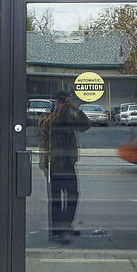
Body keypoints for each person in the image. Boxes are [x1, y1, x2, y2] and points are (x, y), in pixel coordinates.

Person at [39, 90, 91, 244]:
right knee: (56, 200)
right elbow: (48, 127)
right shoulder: (46, 117)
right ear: (55, 102)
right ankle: (55, 232)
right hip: (53, 164)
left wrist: (76, 109)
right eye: (61, 101)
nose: (63, 103)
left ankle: (66, 226)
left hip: (68, 163)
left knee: (73, 195)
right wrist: (59, 110)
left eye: (65, 100)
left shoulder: (70, 117)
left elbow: (86, 126)